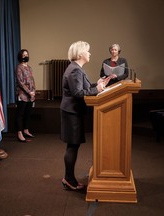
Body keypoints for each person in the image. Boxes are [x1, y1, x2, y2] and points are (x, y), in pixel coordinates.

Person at [60, 41, 111, 190]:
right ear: (80, 53)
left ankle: (68, 178)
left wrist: (97, 84)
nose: (89, 54)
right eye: (87, 51)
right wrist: (98, 90)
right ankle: (69, 180)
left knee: (73, 146)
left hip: (72, 112)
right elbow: (78, 93)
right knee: (72, 146)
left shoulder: (76, 69)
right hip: (72, 113)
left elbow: (84, 88)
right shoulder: (75, 70)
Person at [15, 49, 36, 142]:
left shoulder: (29, 67)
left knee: (28, 113)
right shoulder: (19, 67)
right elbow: (20, 82)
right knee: (20, 114)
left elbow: (32, 80)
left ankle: (26, 130)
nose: (26, 56)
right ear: (20, 56)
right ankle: (19, 133)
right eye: (24, 55)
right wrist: (29, 92)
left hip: (30, 95)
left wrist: (34, 91)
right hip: (23, 94)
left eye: (27, 54)